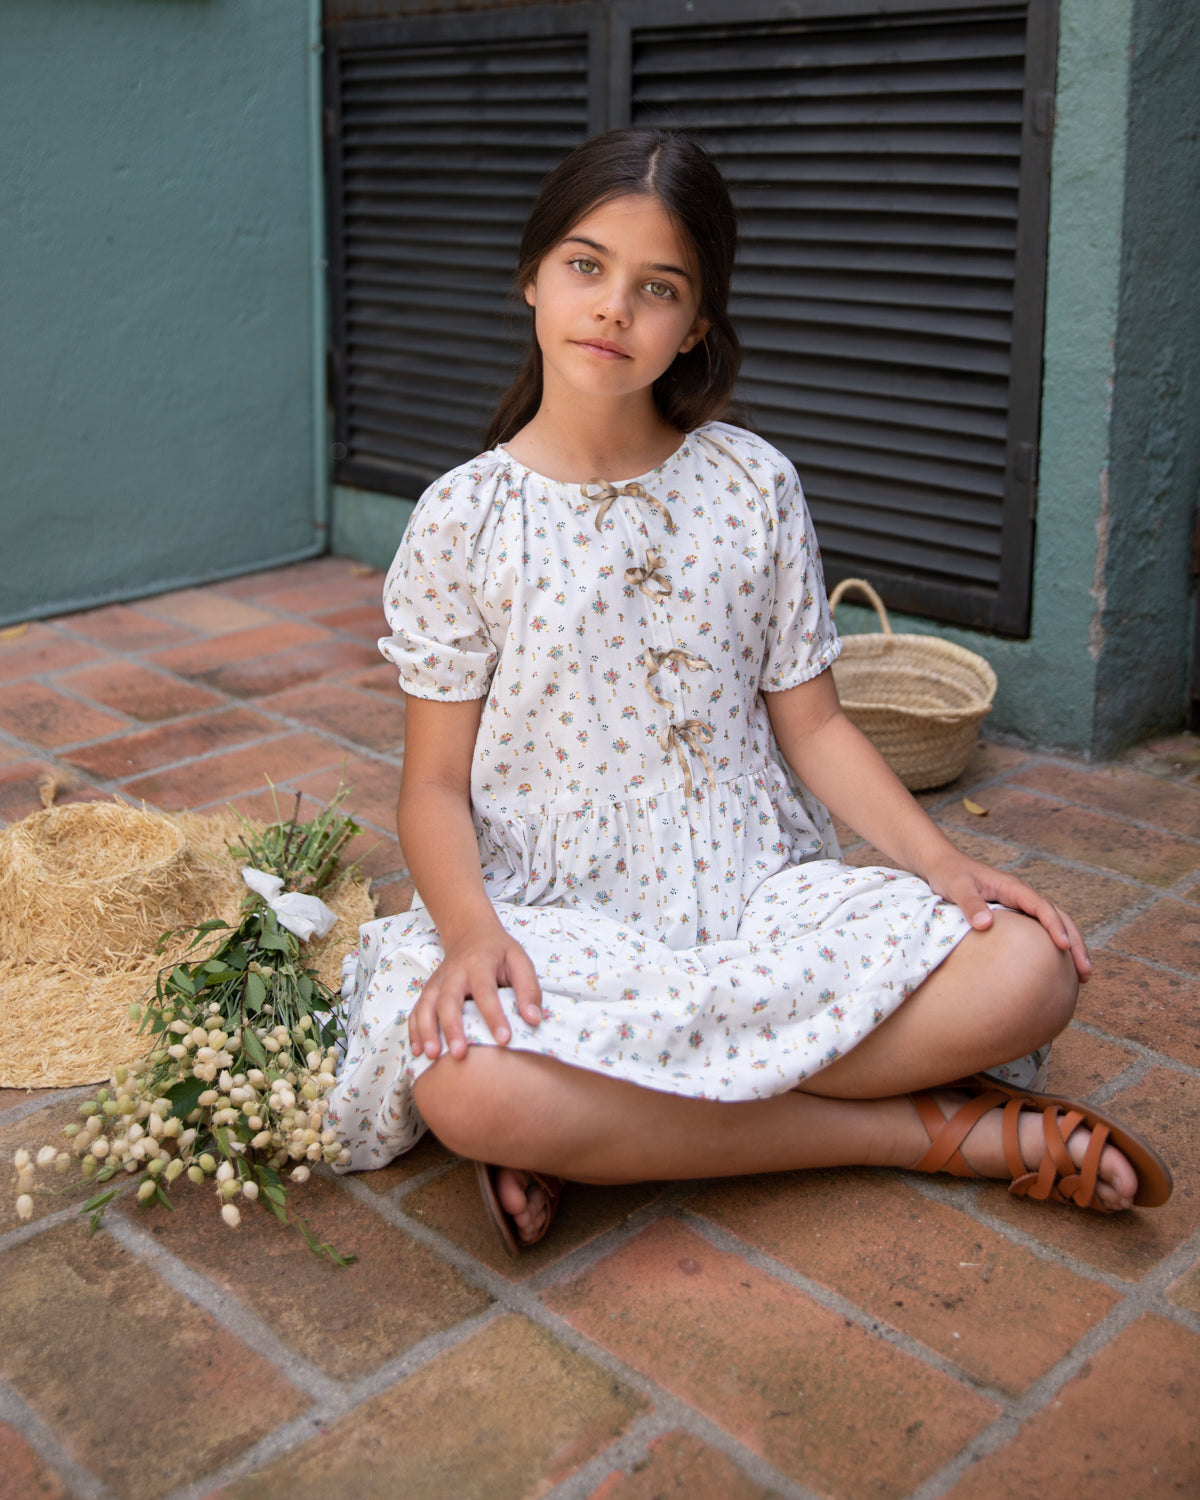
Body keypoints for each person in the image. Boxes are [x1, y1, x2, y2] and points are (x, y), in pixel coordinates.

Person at [326, 128, 1171, 1253]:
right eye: (585, 266)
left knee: (1029, 970)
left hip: (755, 891)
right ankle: (931, 1135)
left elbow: (813, 725)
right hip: (559, 915)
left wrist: (940, 862)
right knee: (469, 1087)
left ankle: (615, 1125)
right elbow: (432, 788)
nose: (613, 308)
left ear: (699, 325)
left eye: (657, 287)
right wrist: (475, 934)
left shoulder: (751, 483)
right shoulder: (462, 520)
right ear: (532, 276)